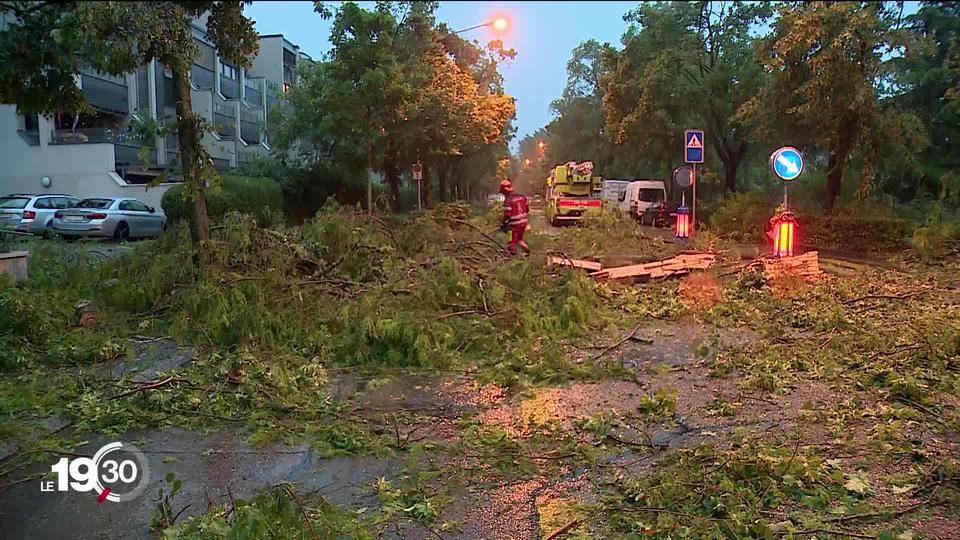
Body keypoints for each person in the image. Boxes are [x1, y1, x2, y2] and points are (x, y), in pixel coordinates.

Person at [499, 178, 530, 255]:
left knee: (511, 242)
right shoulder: (522, 196)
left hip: (514, 226)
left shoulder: (508, 200)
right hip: (523, 223)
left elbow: (507, 214)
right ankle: (527, 251)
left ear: (504, 191)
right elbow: (527, 209)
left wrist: (503, 224)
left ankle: (512, 258)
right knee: (519, 240)